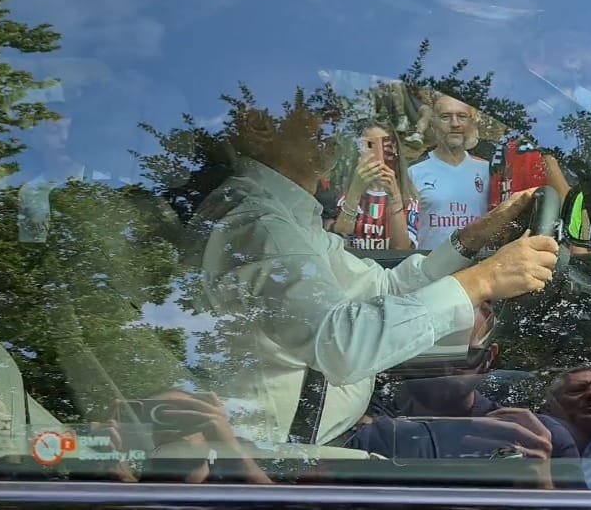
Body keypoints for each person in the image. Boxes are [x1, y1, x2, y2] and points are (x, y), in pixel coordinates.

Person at [192, 104, 559, 447]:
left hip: (325, 435)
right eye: (316, 104)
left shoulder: (288, 218)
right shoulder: (259, 227)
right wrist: (483, 280)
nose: (336, 112)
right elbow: (341, 346)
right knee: (529, 443)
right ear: (259, 126)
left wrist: (471, 239)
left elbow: (382, 287)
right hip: (281, 460)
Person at [348, 302, 579, 488]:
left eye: (464, 355)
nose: (444, 367)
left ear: (488, 358)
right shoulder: (366, 436)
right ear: (401, 355)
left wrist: (541, 485)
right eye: (427, 351)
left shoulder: (540, 438)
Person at [408, 95, 490, 250]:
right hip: (430, 263)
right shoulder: (414, 172)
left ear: (471, 123)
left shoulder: (487, 171)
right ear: (433, 124)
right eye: (445, 117)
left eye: (462, 116)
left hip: (479, 263)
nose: (455, 124)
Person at [332, 121, 420, 250]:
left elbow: (401, 249)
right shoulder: (344, 194)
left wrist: (395, 199)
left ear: (394, 150)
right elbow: (340, 240)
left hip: (390, 262)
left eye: (384, 146)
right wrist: (355, 191)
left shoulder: (408, 198)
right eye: (368, 146)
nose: (376, 154)